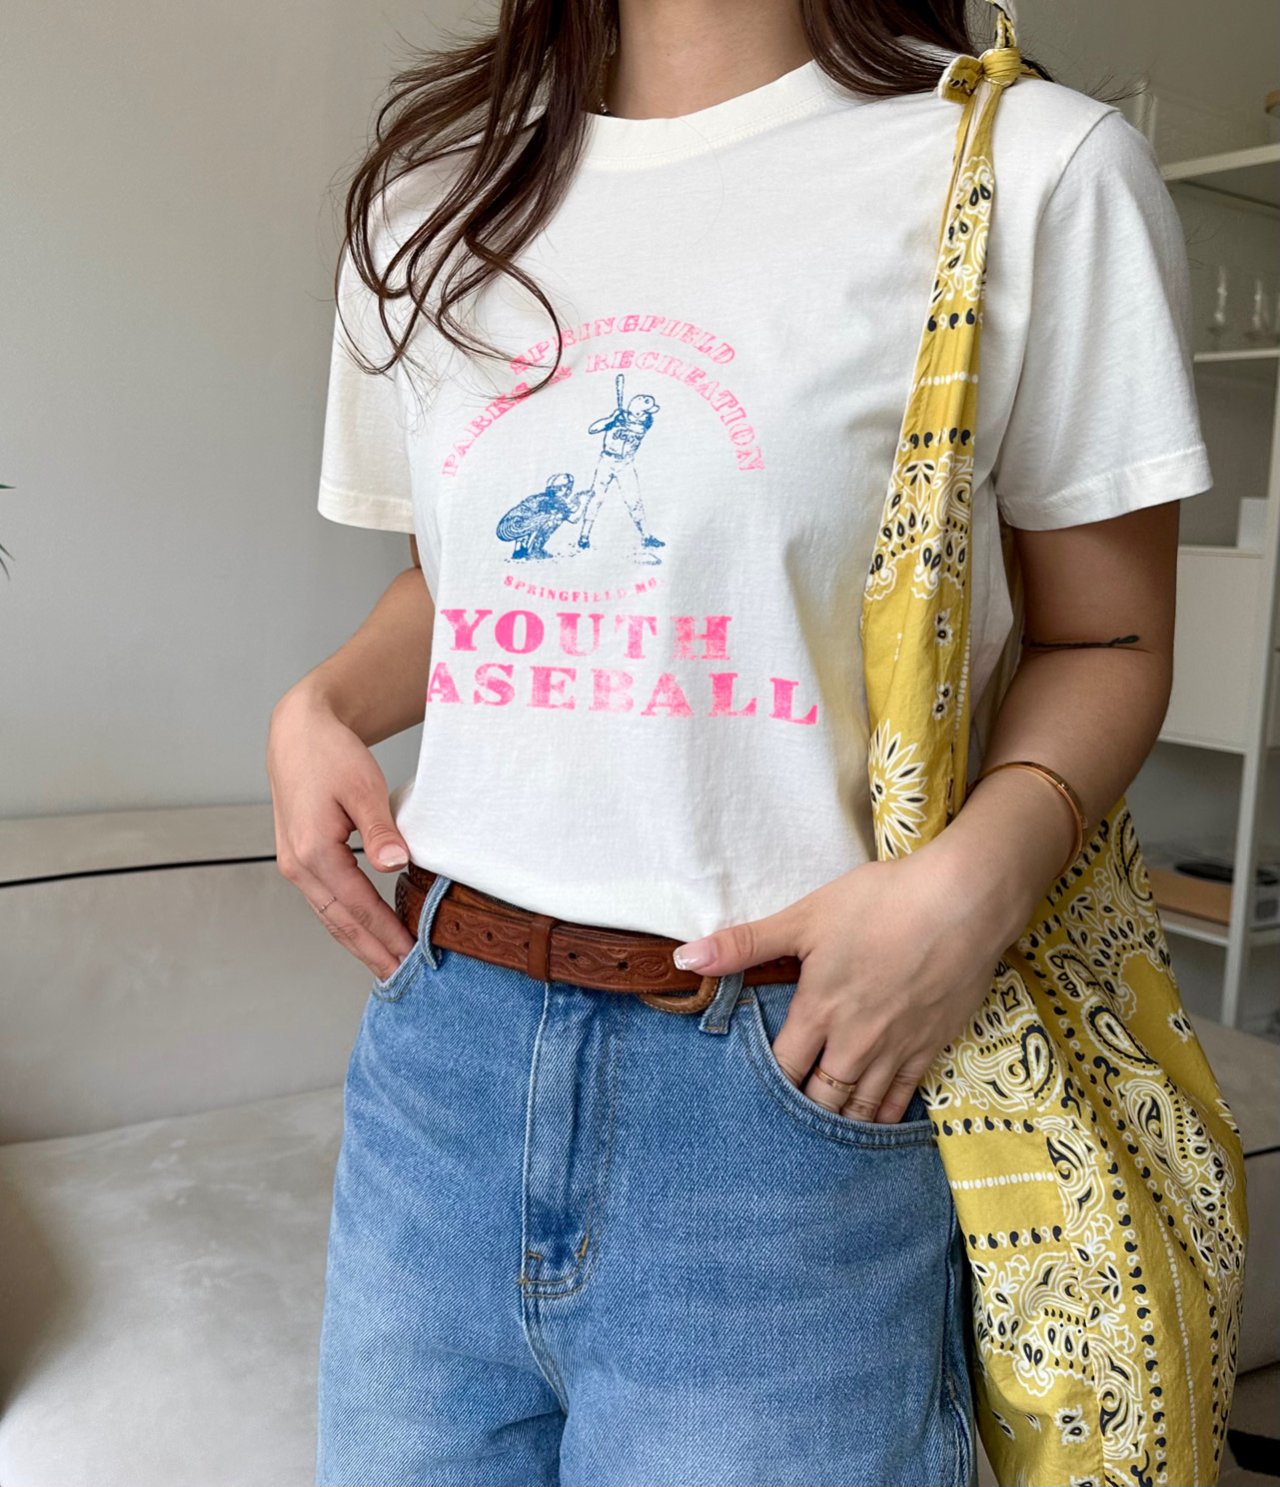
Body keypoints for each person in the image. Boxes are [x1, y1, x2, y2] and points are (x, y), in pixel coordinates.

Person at [266, 1, 1213, 1482]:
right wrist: (321, 703)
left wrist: (971, 890)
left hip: (795, 1089)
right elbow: (471, 581)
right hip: (439, 1058)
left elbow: (1109, 640)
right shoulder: (436, 190)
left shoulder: (1028, 166)